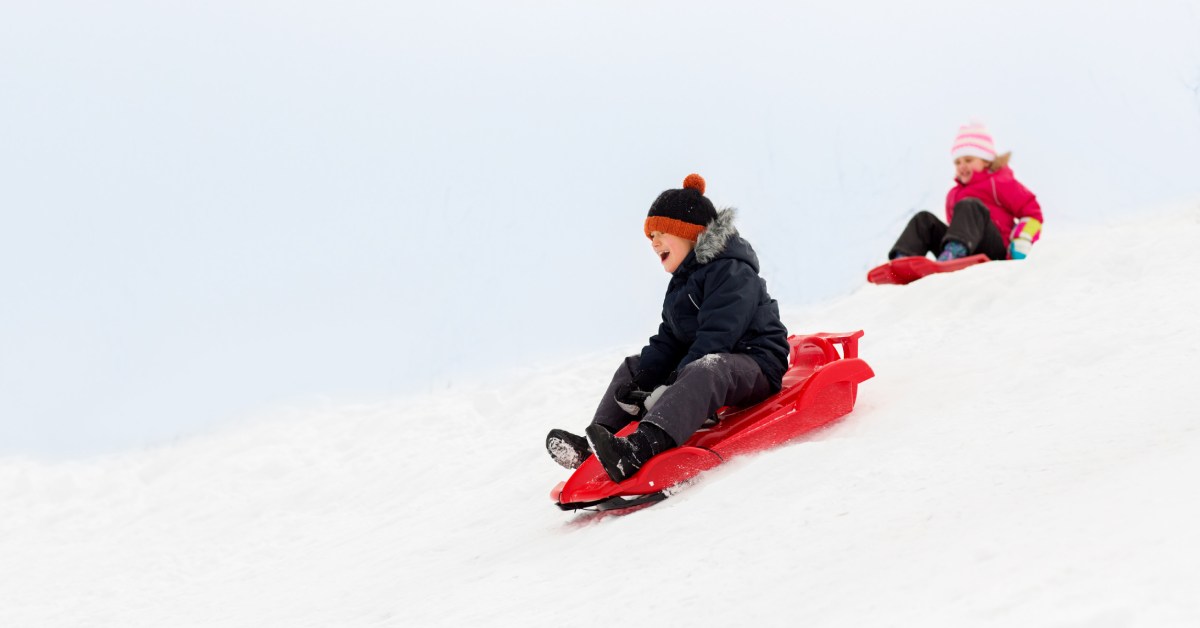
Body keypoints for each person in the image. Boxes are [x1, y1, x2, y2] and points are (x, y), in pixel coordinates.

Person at [545, 174, 790, 483]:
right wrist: (644, 382)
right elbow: (669, 339)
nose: (654, 242)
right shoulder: (682, 282)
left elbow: (718, 337)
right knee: (634, 367)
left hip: (755, 362)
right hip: (708, 363)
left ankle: (638, 448)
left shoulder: (731, 270)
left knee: (707, 368)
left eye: (661, 233)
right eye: (651, 236)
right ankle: (597, 444)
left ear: (689, 233)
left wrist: (671, 386)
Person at [888, 122, 1043, 262]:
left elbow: (1033, 213)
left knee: (971, 205)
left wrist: (1022, 239)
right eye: (957, 162)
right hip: (963, 248)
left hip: (995, 250)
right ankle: (903, 260)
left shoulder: (1000, 182)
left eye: (968, 160)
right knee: (924, 220)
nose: (962, 166)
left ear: (986, 160)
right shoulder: (953, 194)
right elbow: (956, 226)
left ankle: (955, 251)